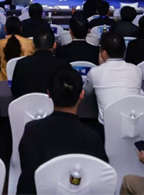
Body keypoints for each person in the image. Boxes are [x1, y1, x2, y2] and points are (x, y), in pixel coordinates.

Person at [17, 67, 108, 195]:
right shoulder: (93, 138)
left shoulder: (31, 130)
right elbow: (101, 178)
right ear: (81, 95)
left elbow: (27, 172)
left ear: (49, 94)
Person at [86, 31, 143, 124]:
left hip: (106, 126)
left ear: (103, 53)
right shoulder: (137, 70)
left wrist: (101, 65)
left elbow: (86, 92)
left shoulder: (94, 72)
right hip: (132, 123)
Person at [11, 29, 70, 98]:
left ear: (33, 45)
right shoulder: (64, 65)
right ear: (54, 45)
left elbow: (15, 91)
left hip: (26, 104)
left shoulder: (21, 64)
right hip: (54, 104)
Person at [0, 16, 35, 80]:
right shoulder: (29, 43)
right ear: (21, 28)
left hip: (4, 82)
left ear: (5, 29)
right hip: (24, 81)